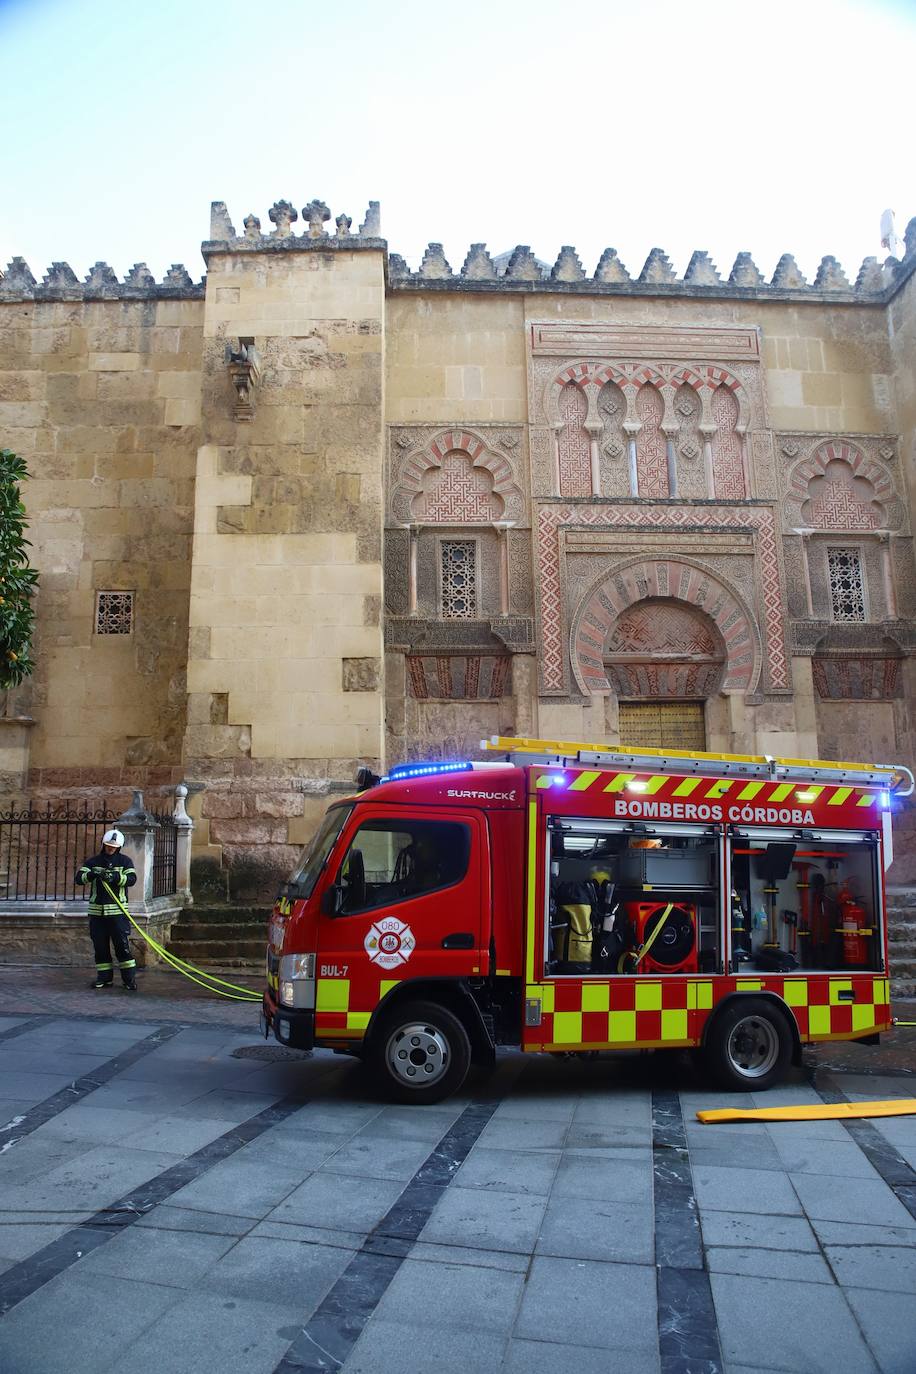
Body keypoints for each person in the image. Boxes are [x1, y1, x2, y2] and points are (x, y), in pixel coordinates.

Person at [75, 828, 139, 990]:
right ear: (103, 844)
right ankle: (104, 978)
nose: (110, 848)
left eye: (114, 846)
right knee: (100, 947)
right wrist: (92, 875)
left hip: (117, 913)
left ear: (119, 847)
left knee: (122, 947)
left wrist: (115, 877)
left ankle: (129, 980)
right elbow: (79, 879)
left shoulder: (125, 862)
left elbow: (131, 879)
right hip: (97, 913)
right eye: (108, 845)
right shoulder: (93, 862)